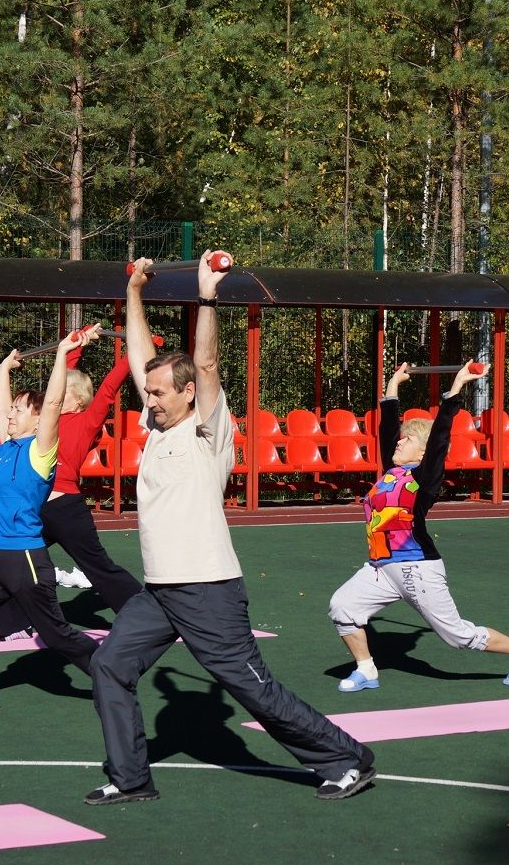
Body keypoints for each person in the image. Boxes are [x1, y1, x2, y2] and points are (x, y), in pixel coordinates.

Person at [87, 252, 375, 804]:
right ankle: (131, 778)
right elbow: (142, 356)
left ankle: (346, 757)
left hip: (208, 589)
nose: (149, 401)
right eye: (148, 393)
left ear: (188, 393)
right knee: (109, 664)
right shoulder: (158, 421)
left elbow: (209, 362)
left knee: (252, 689)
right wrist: (134, 292)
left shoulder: (208, 429)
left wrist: (206, 297)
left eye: (160, 393)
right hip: (162, 592)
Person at [328, 361, 509, 692]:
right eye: (402, 437)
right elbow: (387, 426)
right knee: (343, 606)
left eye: (408, 439)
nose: (400, 442)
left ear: (423, 451)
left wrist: (456, 388)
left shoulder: (423, 480)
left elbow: (440, 434)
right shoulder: (390, 471)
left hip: (416, 566)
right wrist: (393, 384)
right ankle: (367, 669)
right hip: (381, 567)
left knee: (457, 636)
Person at [0, 330, 102, 714]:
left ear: (36, 420)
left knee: (56, 633)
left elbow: (51, 404)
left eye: (19, 410)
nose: (11, 414)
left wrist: (63, 354)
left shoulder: (41, 451)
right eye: (12, 408)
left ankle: (110, 671)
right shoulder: (4, 447)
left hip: (24, 557)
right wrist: (1, 370)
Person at [0, 337, 142, 640]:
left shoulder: (86, 420)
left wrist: (134, 352)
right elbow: (58, 385)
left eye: (66, 394)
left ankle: (147, 615)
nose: (57, 396)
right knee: (14, 559)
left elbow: (108, 388)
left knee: (98, 566)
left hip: (65, 510)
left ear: (77, 401)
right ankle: (14, 625)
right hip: (36, 507)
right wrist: (75, 347)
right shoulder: (45, 421)